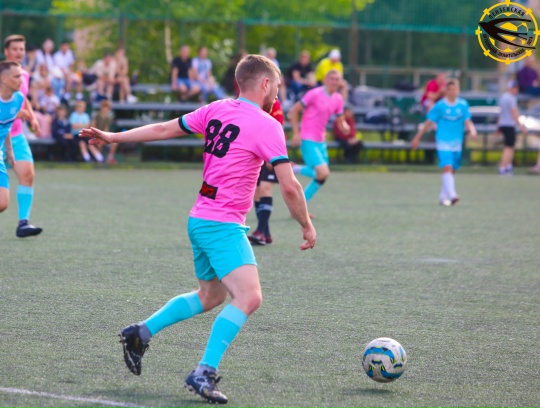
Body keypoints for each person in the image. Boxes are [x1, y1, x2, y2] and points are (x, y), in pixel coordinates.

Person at [79, 54, 316, 405]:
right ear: (264, 83)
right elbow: (290, 186)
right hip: (221, 224)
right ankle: (204, 371)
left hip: (201, 218)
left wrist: (114, 136)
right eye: (277, 88)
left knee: (211, 296)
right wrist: (307, 225)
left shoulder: (216, 108)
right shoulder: (267, 124)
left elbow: (163, 129)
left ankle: (140, 333)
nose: (277, 96)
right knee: (249, 297)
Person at [411, 79, 477, 206]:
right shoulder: (440, 106)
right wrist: (417, 137)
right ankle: (452, 195)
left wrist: (473, 130)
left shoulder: (463, 105)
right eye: (450, 89)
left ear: (458, 90)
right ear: (446, 91)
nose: (452, 92)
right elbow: (428, 122)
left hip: (457, 142)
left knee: (452, 170)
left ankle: (443, 196)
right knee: (447, 166)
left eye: (455, 89)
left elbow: (468, 120)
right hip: (443, 140)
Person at [288, 69, 349, 206]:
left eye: (337, 79)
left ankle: (299, 207)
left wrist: (344, 126)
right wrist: (296, 134)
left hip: (321, 141)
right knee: (323, 173)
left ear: (340, 82)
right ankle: (293, 168)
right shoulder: (314, 94)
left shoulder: (338, 99)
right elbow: (294, 111)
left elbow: (340, 119)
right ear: (326, 80)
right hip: (307, 138)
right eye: (332, 79)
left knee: (321, 177)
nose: (334, 82)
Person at [3, 35, 43, 238]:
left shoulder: (23, 75)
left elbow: (22, 98)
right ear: (6, 52)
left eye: (22, 49)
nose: (19, 52)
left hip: (15, 135)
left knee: (27, 175)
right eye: (15, 49)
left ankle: (23, 223)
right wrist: (17, 114)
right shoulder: (3, 75)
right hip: (4, 133)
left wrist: (33, 118)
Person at [248, 98, 285, 245]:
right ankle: (266, 234)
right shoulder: (250, 100)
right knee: (257, 192)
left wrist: (272, 154)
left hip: (271, 151)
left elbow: (278, 127)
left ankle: (260, 231)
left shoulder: (272, 101)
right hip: (256, 151)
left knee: (265, 188)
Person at [0, 62, 27, 228]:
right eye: (17, 76)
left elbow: (6, 125)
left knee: (2, 203)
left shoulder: (18, 99)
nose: (21, 80)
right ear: (4, 78)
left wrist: (9, 150)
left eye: (21, 76)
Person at [497, 80, 527, 176]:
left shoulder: (503, 97)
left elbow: (500, 113)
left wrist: (498, 126)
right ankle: (503, 167)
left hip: (504, 124)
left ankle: (508, 166)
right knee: (508, 147)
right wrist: (521, 126)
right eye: (514, 87)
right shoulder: (511, 98)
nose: (516, 89)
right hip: (509, 125)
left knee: (511, 146)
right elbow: (514, 113)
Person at [91, 99, 116, 164]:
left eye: (107, 107)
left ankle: (110, 158)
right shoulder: (97, 116)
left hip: (103, 135)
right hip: (95, 135)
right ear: (101, 107)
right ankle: (99, 159)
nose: (105, 109)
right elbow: (93, 127)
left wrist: (104, 135)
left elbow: (106, 129)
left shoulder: (108, 118)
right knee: (99, 143)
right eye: (104, 107)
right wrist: (98, 135)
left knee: (115, 143)